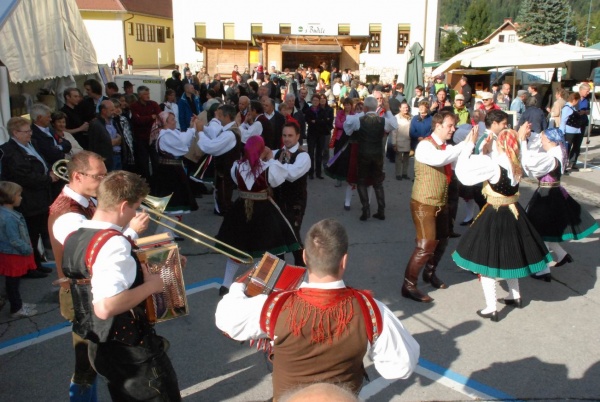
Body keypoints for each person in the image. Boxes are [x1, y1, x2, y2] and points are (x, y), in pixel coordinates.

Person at [215, 218, 420, 401]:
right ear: (344, 261)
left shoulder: (273, 305)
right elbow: (399, 368)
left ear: (304, 256)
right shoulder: (373, 309)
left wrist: (237, 289)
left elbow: (225, 320)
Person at [61, 170, 181, 400]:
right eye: (136, 207)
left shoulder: (78, 234)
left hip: (99, 345)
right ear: (124, 206)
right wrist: (152, 286)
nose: (136, 213)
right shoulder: (114, 243)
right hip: (130, 351)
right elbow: (105, 306)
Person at [49, 151, 148, 402]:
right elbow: (91, 252)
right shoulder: (67, 214)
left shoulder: (86, 201)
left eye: (106, 175)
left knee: (106, 358)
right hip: (81, 294)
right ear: (77, 176)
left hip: (97, 289)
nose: (104, 182)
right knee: (87, 365)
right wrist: (132, 232)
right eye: (99, 176)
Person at [453, 128, 552, 321]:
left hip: (495, 214)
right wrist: (486, 151)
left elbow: (463, 172)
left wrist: (470, 144)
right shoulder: (515, 163)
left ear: (500, 144)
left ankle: (491, 307)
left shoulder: (494, 164)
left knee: (487, 261)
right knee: (510, 255)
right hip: (513, 213)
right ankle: (515, 295)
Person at [214, 136, 301, 296]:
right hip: (263, 211)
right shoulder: (269, 167)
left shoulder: (237, 167)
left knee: (237, 248)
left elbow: (237, 180)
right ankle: (261, 287)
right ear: (262, 150)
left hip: (240, 210)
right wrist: (271, 158)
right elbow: (277, 181)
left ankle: (226, 284)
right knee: (267, 248)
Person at [401, 111, 467, 303]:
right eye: (450, 126)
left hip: (441, 201)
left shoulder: (447, 147)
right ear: (438, 125)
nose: (453, 129)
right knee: (425, 245)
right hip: (424, 202)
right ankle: (408, 285)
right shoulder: (424, 146)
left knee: (442, 240)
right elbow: (439, 159)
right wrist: (466, 144)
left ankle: (429, 274)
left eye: (454, 126)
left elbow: (458, 166)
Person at [522, 128, 599, 282]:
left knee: (540, 232)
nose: (541, 141)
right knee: (548, 231)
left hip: (548, 196)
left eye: (543, 139)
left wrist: (523, 142)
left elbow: (529, 163)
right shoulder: (558, 151)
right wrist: (530, 137)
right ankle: (562, 255)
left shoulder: (550, 157)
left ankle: (543, 270)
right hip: (553, 192)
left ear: (550, 140)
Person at [1, 116, 59, 276]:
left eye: (30, 130)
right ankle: (30, 267)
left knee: (39, 230)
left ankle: (37, 263)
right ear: (15, 133)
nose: (30, 134)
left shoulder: (30, 145)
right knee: (31, 233)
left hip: (40, 195)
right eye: (26, 132)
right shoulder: (10, 151)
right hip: (27, 197)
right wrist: (48, 178)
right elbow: (23, 176)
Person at [343, 96, 398, 221]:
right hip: (377, 154)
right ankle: (381, 210)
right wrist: (388, 110)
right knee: (378, 183)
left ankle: (366, 209)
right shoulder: (383, 120)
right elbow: (395, 125)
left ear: (366, 108)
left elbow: (347, 130)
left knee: (361, 182)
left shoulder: (359, 120)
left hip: (363, 154)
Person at [153, 111, 199, 236]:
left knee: (174, 205)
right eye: (172, 120)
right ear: (165, 123)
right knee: (173, 205)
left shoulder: (171, 133)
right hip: (169, 174)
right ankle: (165, 235)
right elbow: (183, 143)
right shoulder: (166, 135)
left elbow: (184, 142)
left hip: (173, 171)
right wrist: (192, 127)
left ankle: (168, 233)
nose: (175, 122)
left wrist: (191, 126)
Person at [271, 122, 311, 266]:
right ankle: (278, 272)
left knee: (292, 236)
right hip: (277, 201)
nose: (287, 139)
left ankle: (302, 268)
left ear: (298, 136)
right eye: (284, 135)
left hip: (295, 203)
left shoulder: (303, 156)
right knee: (277, 237)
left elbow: (292, 174)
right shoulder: (277, 153)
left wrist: (275, 165)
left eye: (290, 135)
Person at [0, 181, 39, 317]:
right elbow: (14, 240)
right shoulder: (9, 217)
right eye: (18, 195)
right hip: (13, 255)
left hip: (11, 253)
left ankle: (18, 304)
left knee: (13, 283)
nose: (21, 197)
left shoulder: (7, 214)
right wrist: (27, 249)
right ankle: (16, 308)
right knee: (13, 283)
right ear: (10, 197)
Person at [198, 104, 241, 216]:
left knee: (224, 201)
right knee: (221, 197)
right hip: (224, 172)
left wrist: (200, 132)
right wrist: (203, 128)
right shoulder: (229, 130)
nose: (218, 118)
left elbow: (211, 147)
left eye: (220, 116)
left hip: (225, 173)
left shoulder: (229, 134)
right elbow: (216, 134)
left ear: (227, 117)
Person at [87, 100, 120, 171]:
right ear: (104, 111)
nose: (114, 112)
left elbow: (120, 138)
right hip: (106, 159)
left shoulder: (114, 122)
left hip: (118, 155)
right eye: (111, 110)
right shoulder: (96, 124)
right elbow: (96, 144)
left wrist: (116, 141)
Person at [305, 94, 328, 179]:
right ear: (311, 101)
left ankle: (318, 173)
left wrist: (316, 121)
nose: (315, 102)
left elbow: (325, 121)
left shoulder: (322, 111)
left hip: (320, 134)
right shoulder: (308, 110)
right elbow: (308, 120)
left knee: (319, 154)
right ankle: (311, 172)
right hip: (311, 134)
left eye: (317, 100)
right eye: (314, 100)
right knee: (311, 153)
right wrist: (316, 121)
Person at [559, 92, 582, 174]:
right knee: (566, 149)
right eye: (578, 100)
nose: (578, 102)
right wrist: (562, 132)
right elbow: (563, 121)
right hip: (569, 132)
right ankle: (563, 166)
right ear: (574, 100)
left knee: (575, 147)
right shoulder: (567, 108)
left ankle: (571, 164)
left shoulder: (573, 108)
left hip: (576, 131)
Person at [391, 101, 412, 180]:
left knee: (406, 158)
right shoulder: (396, 118)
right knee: (399, 159)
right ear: (400, 108)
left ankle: (404, 173)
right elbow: (394, 132)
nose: (405, 109)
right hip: (399, 141)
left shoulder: (411, 117)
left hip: (408, 141)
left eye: (406, 107)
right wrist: (394, 143)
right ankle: (398, 174)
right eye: (403, 108)